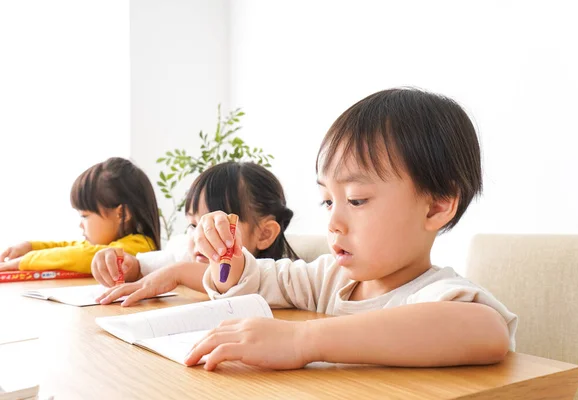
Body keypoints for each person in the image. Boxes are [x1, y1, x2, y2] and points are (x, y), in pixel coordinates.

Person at [186, 88, 518, 371]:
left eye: (356, 200)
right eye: (328, 201)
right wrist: (225, 258)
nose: (333, 223)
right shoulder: (329, 279)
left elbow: (486, 331)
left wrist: (302, 340)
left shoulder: (438, 294)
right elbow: (256, 283)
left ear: (436, 206)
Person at [95, 161, 297, 306]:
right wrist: (129, 266)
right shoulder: (189, 254)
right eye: (193, 225)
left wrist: (179, 272)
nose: (198, 238)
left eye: (215, 227)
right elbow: (156, 266)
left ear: (264, 235)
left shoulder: (285, 278)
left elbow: (248, 283)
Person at [0, 157, 160, 273]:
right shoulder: (109, 244)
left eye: (85, 216)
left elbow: (83, 255)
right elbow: (72, 247)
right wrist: (31, 246)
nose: (80, 224)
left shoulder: (141, 247)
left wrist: (27, 261)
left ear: (121, 214)